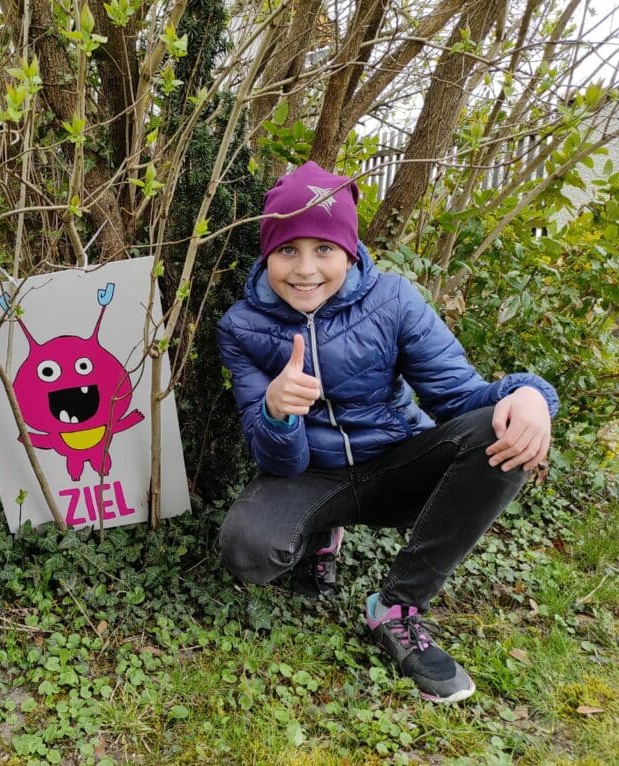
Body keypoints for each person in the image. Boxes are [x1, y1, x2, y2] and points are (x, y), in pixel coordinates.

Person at [216, 162, 557, 703]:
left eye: (323, 249)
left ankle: (397, 607)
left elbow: (461, 399)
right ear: (266, 255)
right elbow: (276, 460)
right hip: (312, 475)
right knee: (247, 551)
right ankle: (322, 534)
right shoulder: (241, 326)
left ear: (349, 252)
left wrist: (530, 395)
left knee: (502, 436)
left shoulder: (393, 300)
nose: (305, 269)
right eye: (287, 250)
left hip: (397, 463)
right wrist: (279, 413)